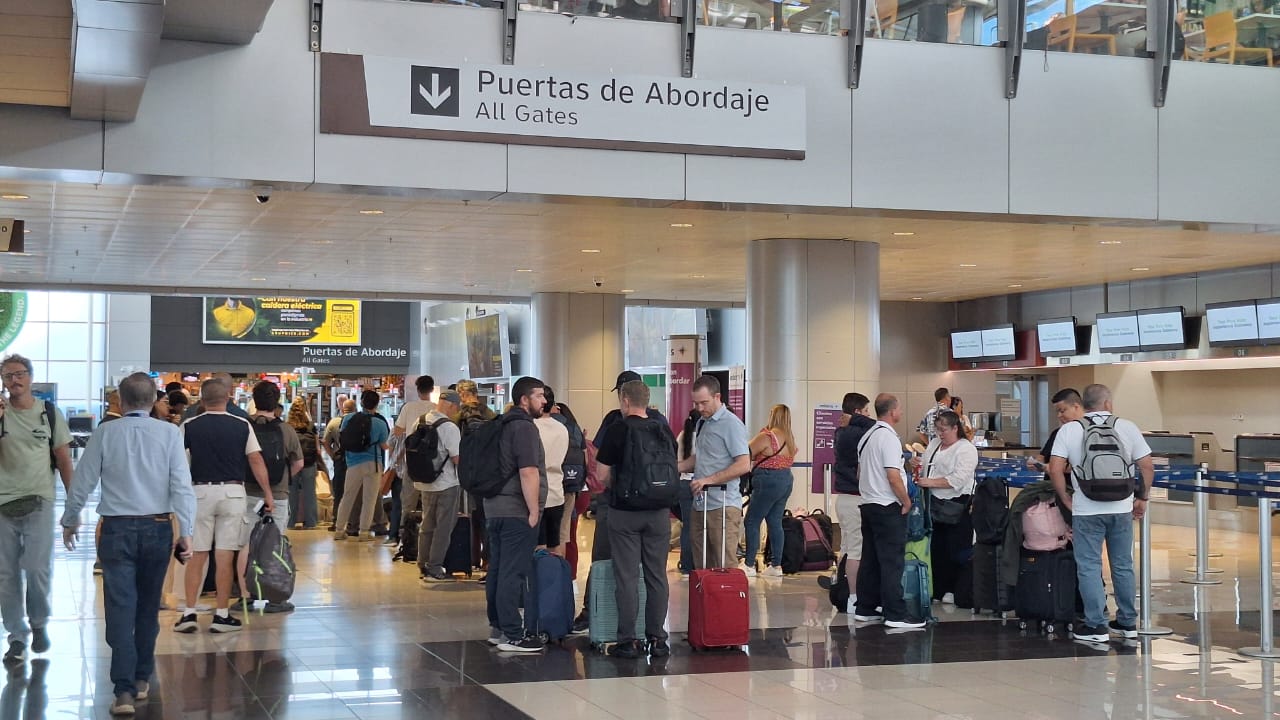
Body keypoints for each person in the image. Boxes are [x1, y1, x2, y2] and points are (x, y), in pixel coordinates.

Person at [61, 372, 196, 716]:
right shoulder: (169, 433)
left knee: (120, 608)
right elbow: (181, 485)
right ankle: (141, 678)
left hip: (116, 529)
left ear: (120, 401)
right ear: (153, 401)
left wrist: (70, 519)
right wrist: (187, 531)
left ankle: (122, 691)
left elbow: (83, 480)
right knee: (148, 607)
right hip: (158, 527)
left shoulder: (106, 432)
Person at [1049, 383, 1154, 644]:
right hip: (1121, 508)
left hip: (1086, 509)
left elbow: (1055, 468)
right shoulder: (1127, 427)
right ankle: (1128, 623)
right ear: (1108, 403)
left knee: (1089, 566)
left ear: (1083, 404)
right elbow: (1147, 466)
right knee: (1123, 565)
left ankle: (1096, 626)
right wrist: (1142, 498)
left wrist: (1065, 497)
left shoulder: (1069, 430)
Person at [175, 377, 274, 634]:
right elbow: (255, 460)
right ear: (228, 398)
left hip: (199, 493)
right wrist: (267, 494)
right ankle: (221, 615)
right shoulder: (242, 425)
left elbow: (178, 464)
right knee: (225, 556)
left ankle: (189, 613)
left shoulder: (189, 426)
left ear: (202, 400)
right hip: (233, 493)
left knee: (197, 555)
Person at [0, 354, 74, 664]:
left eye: (19, 374)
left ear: (30, 377)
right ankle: (17, 636)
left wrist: (73, 507)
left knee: (35, 568)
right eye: (8, 376)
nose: (14, 380)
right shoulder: (1, 413)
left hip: (39, 501)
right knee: (5, 575)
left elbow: (64, 460)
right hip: (3, 503)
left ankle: (39, 622)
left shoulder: (49, 414)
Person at [594, 380, 674, 659]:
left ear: (625, 400)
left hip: (625, 513)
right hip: (659, 513)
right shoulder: (662, 428)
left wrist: (619, 485)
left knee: (627, 577)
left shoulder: (618, 429)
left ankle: (628, 641)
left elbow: (602, 475)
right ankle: (658, 639)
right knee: (657, 576)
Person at [484, 376, 549, 654]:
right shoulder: (524, 427)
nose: (544, 401)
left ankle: (498, 627)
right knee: (512, 571)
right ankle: (513, 634)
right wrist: (533, 510)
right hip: (515, 510)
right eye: (539, 396)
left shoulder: (501, 424)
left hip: (494, 507)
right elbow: (528, 471)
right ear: (524, 399)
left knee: (498, 569)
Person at [853, 393, 926, 629]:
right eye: (900, 408)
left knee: (871, 559)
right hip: (887, 506)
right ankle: (895, 613)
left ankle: (866, 607)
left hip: (868, 504)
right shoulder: (889, 438)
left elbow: (859, 473)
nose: (901, 412)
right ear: (893, 411)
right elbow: (893, 477)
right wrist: (906, 501)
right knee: (892, 561)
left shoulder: (867, 436)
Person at [239, 381, 303, 613]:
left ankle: (245, 597)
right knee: (275, 544)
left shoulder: (243, 426)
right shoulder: (286, 430)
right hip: (277, 495)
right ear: (277, 402)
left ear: (254, 400)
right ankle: (275, 598)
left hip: (247, 493)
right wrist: (284, 478)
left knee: (246, 544)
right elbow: (299, 463)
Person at [678, 375, 750, 570]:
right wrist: (676, 467)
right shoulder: (702, 422)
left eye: (704, 402)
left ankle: (727, 592)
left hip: (723, 505)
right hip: (701, 504)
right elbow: (702, 457)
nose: (700, 408)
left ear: (717, 397)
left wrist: (708, 480)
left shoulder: (731, 424)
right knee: (702, 564)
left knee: (724, 564)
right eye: (696, 403)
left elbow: (744, 464)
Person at [913, 410, 978, 604]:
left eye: (944, 430)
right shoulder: (934, 444)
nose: (940, 434)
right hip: (933, 505)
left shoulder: (966, 449)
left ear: (955, 428)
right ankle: (938, 588)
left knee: (956, 549)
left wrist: (930, 482)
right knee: (936, 548)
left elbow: (958, 479)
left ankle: (955, 589)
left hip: (956, 505)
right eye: (938, 430)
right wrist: (915, 464)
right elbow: (925, 469)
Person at [820, 392, 876, 612]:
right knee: (856, 550)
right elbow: (876, 426)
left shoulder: (842, 431)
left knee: (847, 548)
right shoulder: (855, 432)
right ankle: (853, 598)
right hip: (855, 499)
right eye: (865, 411)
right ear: (857, 412)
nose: (869, 415)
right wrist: (857, 420)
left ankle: (843, 589)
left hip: (845, 498)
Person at [741, 404, 797, 578]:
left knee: (752, 521)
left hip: (768, 480)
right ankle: (776, 565)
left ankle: (749, 564)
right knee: (775, 522)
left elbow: (745, 451)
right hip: (786, 480)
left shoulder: (767, 436)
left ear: (773, 415)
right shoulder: (790, 438)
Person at [413, 391, 462, 583]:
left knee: (427, 524)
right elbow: (457, 458)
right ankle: (435, 568)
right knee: (443, 527)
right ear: (452, 405)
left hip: (424, 482)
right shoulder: (449, 427)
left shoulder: (419, 421)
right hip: (446, 483)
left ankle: (422, 563)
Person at [333, 391, 391, 542]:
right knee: (369, 499)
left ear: (361, 403)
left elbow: (342, 437)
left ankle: (339, 530)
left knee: (347, 497)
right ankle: (364, 532)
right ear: (377, 405)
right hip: (373, 464)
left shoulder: (348, 418)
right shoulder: (380, 423)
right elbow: (384, 445)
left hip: (352, 463)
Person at [454, 379, 496, 580]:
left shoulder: (459, 416)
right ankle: (488, 560)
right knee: (485, 517)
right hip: (487, 473)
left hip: (465, 473)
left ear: (462, 394)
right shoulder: (490, 414)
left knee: (468, 517)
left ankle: (470, 559)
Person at [388, 376, 437, 546]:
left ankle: (406, 540)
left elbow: (398, 431)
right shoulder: (436, 408)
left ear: (417, 390)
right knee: (429, 503)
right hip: (432, 462)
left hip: (412, 460)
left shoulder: (409, 407)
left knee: (407, 503)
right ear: (432, 389)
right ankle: (427, 540)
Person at [534, 388, 569, 557]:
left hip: (536, 494)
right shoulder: (562, 428)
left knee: (538, 546)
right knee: (555, 544)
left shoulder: (531, 427)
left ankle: (540, 574)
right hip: (557, 493)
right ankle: (557, 572)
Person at [1028, 388, 1084, 471]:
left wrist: (1052, 468)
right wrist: (1036, 463)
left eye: (1062, 411)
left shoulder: (1088, 432)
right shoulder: (1058, 432)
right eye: (1057, 412)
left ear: (1076, 407)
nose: (1059, 415)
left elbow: (1082, 466)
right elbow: (1043, 456)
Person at [674, 408, 701, 576]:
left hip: (683, 483)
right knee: (699, 526)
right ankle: (698, 563)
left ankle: (686, 565)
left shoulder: (682, 436)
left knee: (686, 526)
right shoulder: (702, 437)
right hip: (700, 484)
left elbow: (678, 461)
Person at [322, 399, 356, 529]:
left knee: (339, 491)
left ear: (342, 409)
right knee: (354, 491)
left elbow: (325, 442)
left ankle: (336, 520)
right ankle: (353, 522)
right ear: (355, 409)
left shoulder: (334, 422)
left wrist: (332, 455)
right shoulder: (359, 421)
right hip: (356, 460)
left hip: (340, 460)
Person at [287, 402, 320, 530]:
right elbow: (317, 449)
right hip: (309, 462)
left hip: (293, 463)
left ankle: (291, 522)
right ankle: (311, 522)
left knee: (291, 493)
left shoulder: (287, 426)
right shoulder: (311, 426)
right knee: (310, 493)